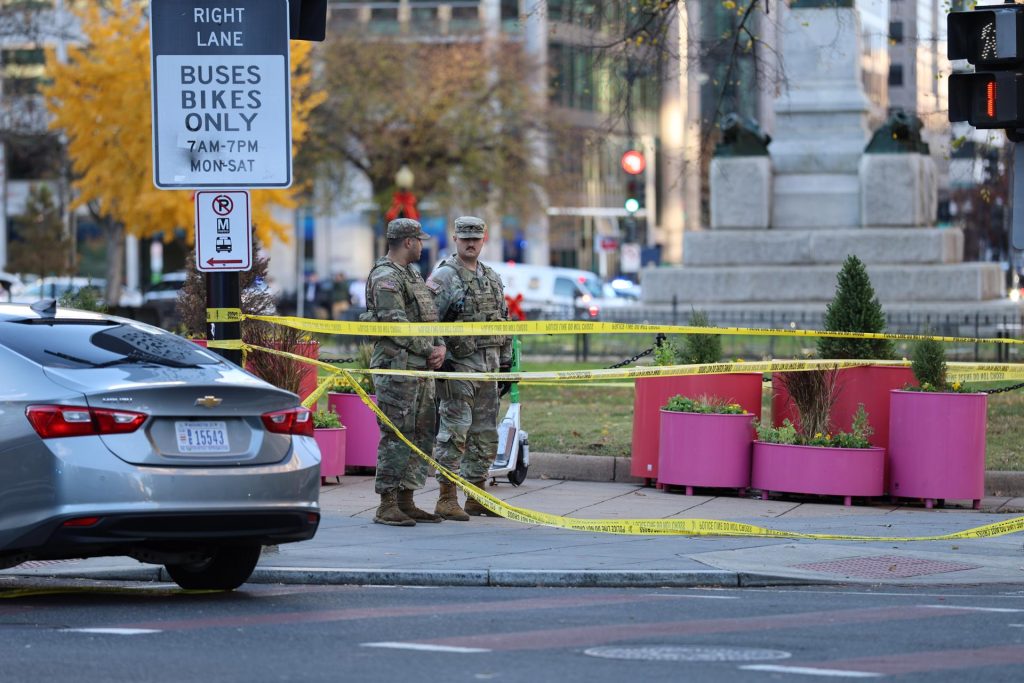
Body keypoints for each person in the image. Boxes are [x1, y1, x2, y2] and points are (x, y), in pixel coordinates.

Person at [362, 218, 447, 526]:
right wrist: (430, 349)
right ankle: (386, 504)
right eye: (420, 241)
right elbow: (395, 325)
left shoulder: (410, 273)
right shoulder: (385, 277)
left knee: (421, 432)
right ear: (409, 242)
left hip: (420, 369)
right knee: (397, 434)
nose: (423, 246)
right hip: (397, 369)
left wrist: (440, 346)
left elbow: (428, 315)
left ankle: (406, 499)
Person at [426, 216, 512, 520]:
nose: (471, 243)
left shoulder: (492, 277)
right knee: (454, 433)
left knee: (485, 434)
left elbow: (504, 319)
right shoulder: (445, 277)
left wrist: (506, 360)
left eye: (476, 237)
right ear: (455, 239)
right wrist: (438, 348)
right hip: (458, 369)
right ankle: (446, 497)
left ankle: (476, 494)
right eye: (465, 238)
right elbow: (428, 320)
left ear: (484, 239)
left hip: (488, 369)